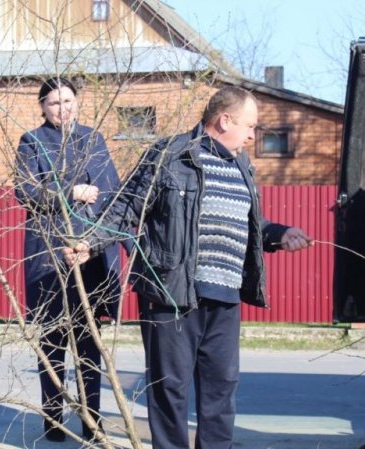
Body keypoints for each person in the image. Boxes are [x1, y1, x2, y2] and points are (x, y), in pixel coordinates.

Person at [62, 86, 313, 449]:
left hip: (225, 297)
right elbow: (126, 206)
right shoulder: (170, 154)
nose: (252, 135)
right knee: (170, 389)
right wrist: (90, 242)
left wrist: (279, 234)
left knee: (221, 389)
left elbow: (244, 223)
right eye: (249, 126)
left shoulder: (241, 165)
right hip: (172, 293)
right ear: (224, 120)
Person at [13, 77, 125, 443]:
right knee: (53, 339)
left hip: (90, 255)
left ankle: (92, 421)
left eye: (68, 101)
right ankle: (54, 419)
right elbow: (25, 191)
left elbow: (113, 193)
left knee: (88, 341)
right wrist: (68, 192)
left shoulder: (93, 140)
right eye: (54, 103)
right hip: (50, 255)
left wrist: (101, 240)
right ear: (42, 107)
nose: (63, 108)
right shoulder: (32, 142)